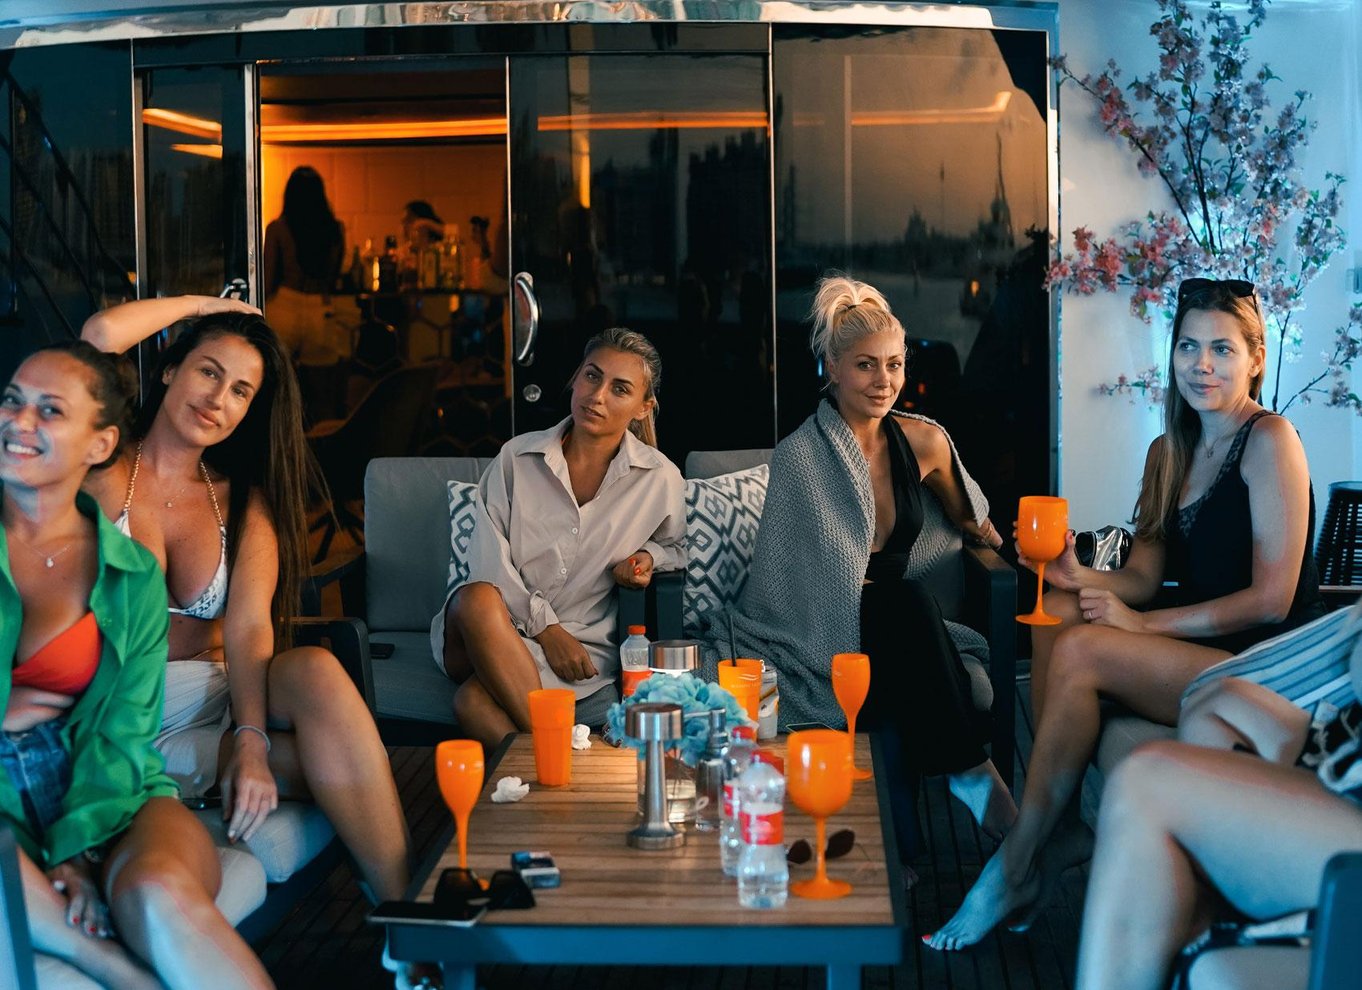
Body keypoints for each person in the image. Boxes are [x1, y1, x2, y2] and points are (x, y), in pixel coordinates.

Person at [927, 277, 1326, 950]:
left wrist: (1142, 626)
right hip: (1203, 649)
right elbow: (1143, 574)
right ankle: (1055, 832)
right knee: (1059, 611)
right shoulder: (1169, 450)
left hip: (1266, 664)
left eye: (1222, 349)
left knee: (1086, 649)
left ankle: (1017, 860)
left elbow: (1272, 599)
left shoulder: (1270, 440)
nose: (1202, 364)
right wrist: (1079, 576)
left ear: (1256, 359)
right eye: (1188, 346)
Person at [79, 297, 420, 925]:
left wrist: (252, 740)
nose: (218, 399)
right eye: (208, 371)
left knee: (314, 668)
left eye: (240, 391)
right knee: (338, 766)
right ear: (169, 369)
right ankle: (403, 908)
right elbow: (99, 335)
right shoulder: (98, 465)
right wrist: (206, 306)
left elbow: (248, 627)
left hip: (214, 695)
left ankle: (409, 922)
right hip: (123, 708)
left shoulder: (240, 502)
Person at [700, 273, 1017, 838]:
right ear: (833, 367)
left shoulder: (924, 443)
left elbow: (971, 516)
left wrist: (1017, 554)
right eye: (866, 365)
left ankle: (902, 855)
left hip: (898, 624)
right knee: (905, 610)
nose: (883, 381)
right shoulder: (800, 455)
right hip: (821, 626)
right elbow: (787, 581)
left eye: (894, 364)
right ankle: (971, 779)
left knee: (900, 633)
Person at [1, 340, 273, 989]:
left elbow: (123, 731)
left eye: (50, 410)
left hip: (110, 790)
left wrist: (75, 847)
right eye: (12, 401)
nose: (20, 422)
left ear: (100, 444)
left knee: (159, 893)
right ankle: (109, 964)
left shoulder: (130, 575)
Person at [1075, 600, 1362, 990]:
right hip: (1344, 750)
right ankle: (1216, 885)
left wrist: (1143, 621)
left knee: (1146, 780)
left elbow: (1271, 603)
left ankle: (1205, 893)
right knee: (1221, 698)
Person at [433, 327, 686, 752]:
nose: (597, 395)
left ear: (643, 407)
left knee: (471, 704)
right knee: (475, 597)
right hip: (489, 629)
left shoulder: (660, 480)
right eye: (592, 376)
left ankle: (557, 767)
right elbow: (488, 563)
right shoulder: (517, 458)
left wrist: (648, 556)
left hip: (582, 645)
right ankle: (566, 754)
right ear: (576, 378)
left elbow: (677, 548)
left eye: (619, 389)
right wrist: (546, 630)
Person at [262, 165, 346, 368]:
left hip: (285, 304)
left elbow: (267, 278)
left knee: (279, 373)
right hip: (320, 307)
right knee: (321, 377)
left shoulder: (278, 228)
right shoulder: (335, 229)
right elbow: (334, 274)